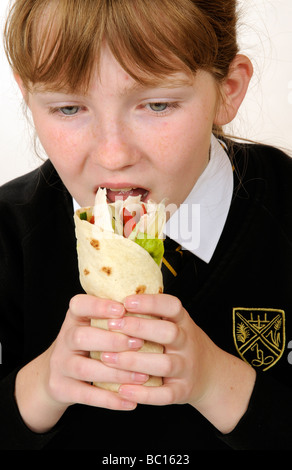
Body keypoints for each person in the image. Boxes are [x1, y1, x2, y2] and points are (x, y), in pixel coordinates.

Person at [0, 0, 291, 452]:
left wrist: (219, 382)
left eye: (157, 104)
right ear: (26, 94)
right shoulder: (7, 230)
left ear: (228, 89)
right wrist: (40, 388)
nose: (113, 155)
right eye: (69, 109)